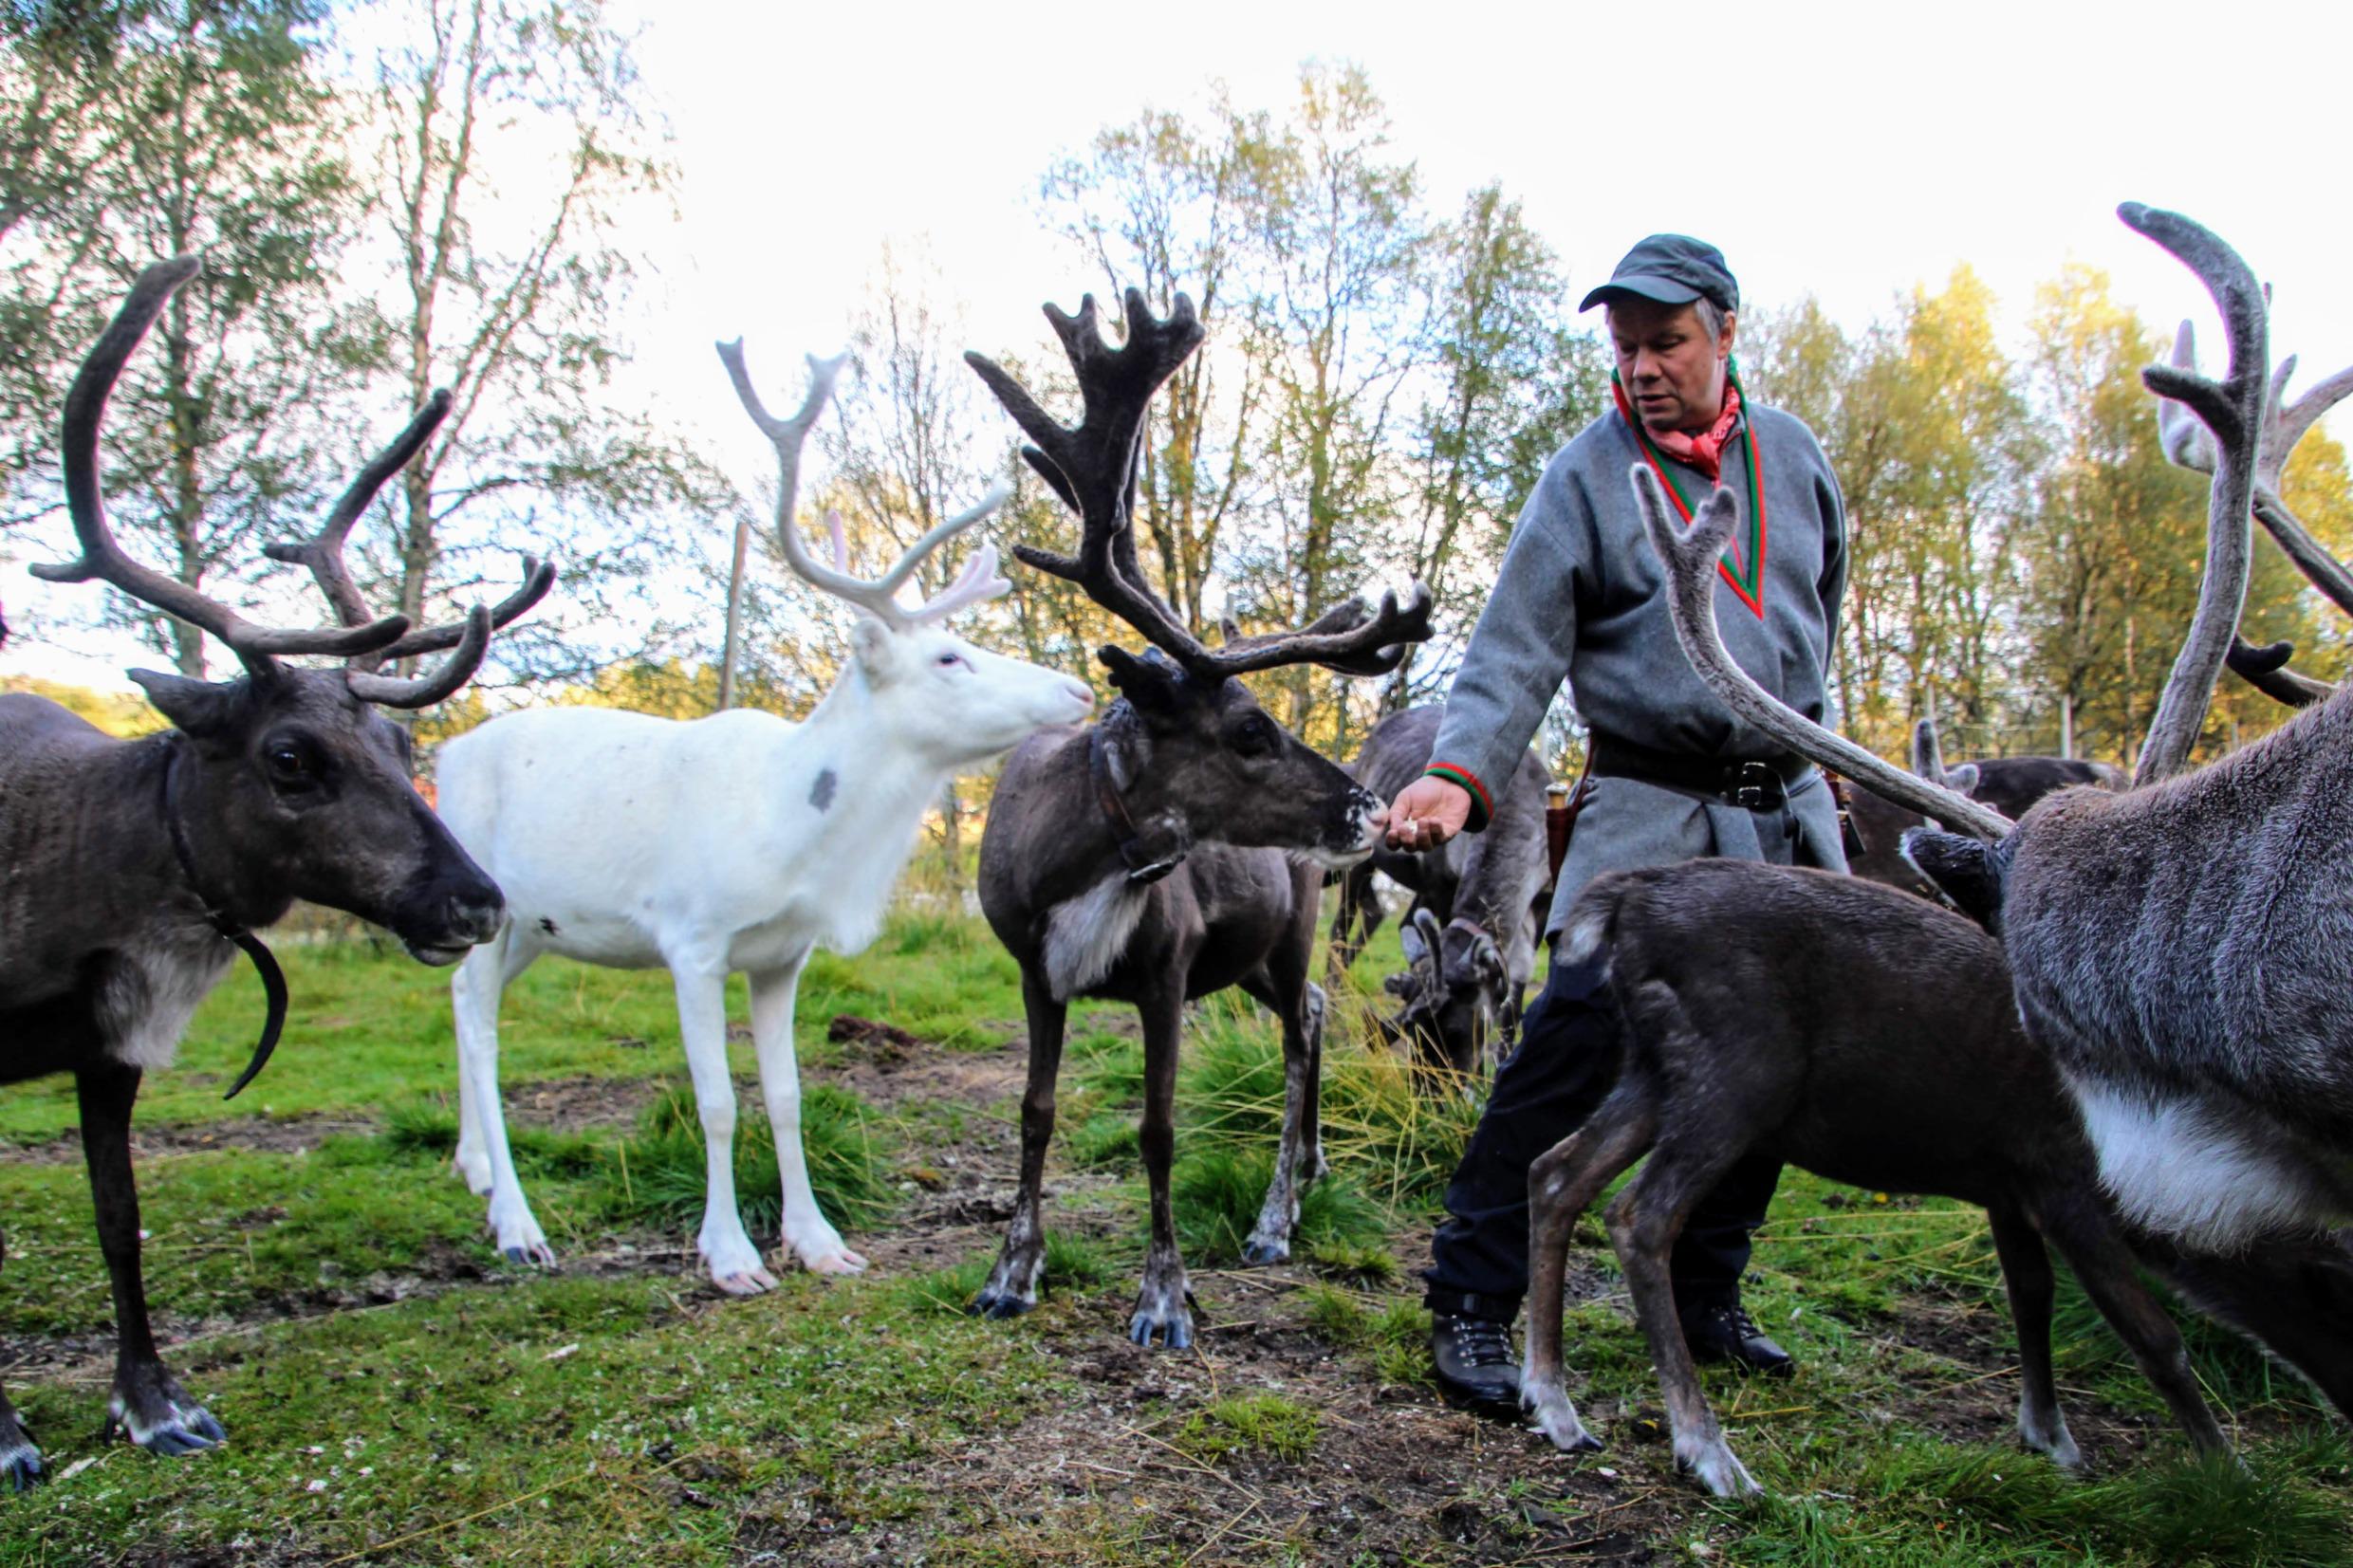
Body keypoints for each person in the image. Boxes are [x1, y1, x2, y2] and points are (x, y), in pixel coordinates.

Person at [1385, 233, 1849, 1414]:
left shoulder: (1792, 459)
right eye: (1623, 347)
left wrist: (1828, 762)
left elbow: (1813, 630)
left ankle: (1705, 1289)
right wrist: (1459, 774)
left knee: (1773, 1073)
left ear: (1725, 334)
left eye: (1665, 343)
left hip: (1782, 816)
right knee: (1573, 1046)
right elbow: (1509, 657)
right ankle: (1474, 1298)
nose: (1641, 367)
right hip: (1648, 814)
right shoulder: (1583, 479)